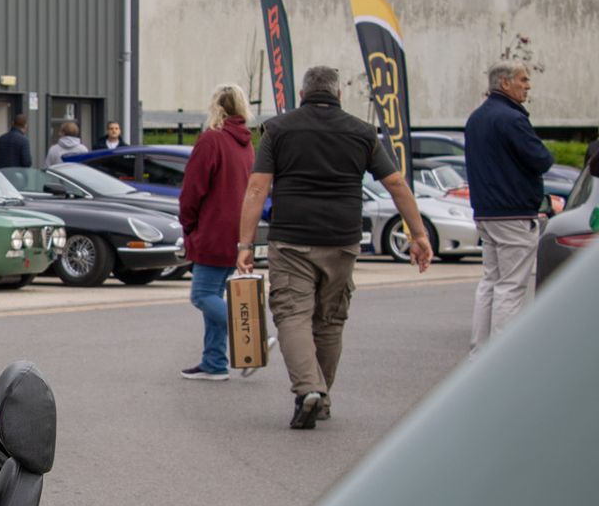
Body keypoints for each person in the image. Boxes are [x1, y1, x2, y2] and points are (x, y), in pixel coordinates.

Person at [237, 65, 430, 430]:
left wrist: (244, 243)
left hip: (291, 239)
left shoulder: (278, 130)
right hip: (342, 241)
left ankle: (308, 389)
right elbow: (397, 185)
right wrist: (418, 236)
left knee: (292, 314)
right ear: (339, 94)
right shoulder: (362, 132)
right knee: (330, 320)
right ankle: (321, 397)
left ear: (302, 95)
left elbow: (257, 188)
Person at [463, 62, 555, 348]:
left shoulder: (476, 118)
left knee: (490, 282)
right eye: (523, 80)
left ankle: (480, 350)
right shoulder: (512, 119)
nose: (528, 85)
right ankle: (503, 353)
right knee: (511, 286)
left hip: (486, 213)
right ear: (504, 84)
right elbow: (542, 160)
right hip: (514, 213)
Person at [177, 85, 255, 380]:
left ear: (217, 107)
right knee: (214, 295)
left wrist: (188, 224)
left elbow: (193, 190)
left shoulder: (212, 140)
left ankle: (249, 335)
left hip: (212, 229)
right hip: (237, 231)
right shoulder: (245, 144)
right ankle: (214, 362)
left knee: (202, 295)